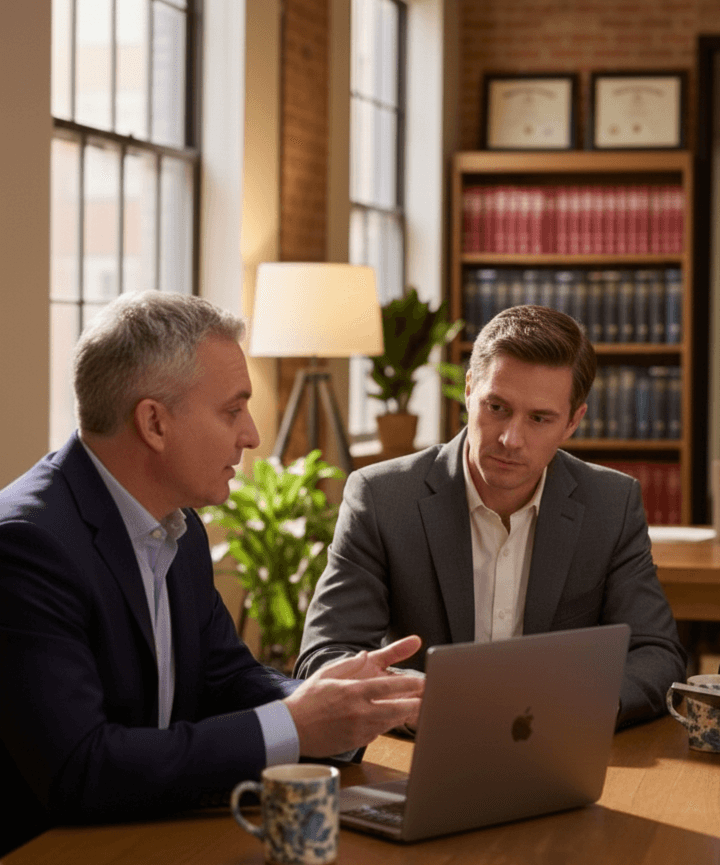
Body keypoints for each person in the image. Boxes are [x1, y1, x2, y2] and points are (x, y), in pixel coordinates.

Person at [0, 291, 423, 856]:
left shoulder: (180, 526)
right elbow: (82, 768)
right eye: (232, 411)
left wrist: (343, 701)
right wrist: (298, 723)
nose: (251, 435)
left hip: (159, 832)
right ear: (154, 422)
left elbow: (227, 680)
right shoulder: (26, 545)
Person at [296, 305, 687, 727]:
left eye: (539, 418)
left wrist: (578, 707)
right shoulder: (382, 498)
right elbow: (326, 655)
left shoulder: (610, 504)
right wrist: (436, 698)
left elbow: (657, 655)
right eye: (497, 407)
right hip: (422, 743)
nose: (511, 439)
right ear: (469, 390)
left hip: (555, 745)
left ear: (573, 421)